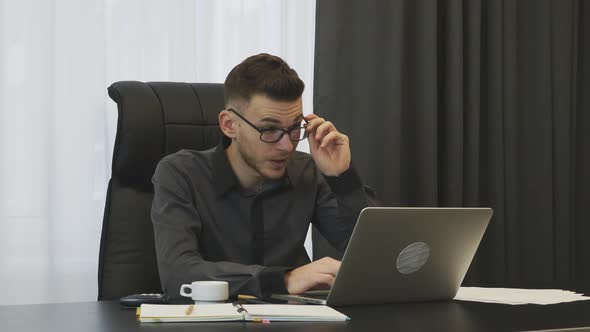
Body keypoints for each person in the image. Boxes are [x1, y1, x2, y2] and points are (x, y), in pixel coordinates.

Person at [151, 53, 375, 299]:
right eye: (269, 130)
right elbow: (178, 274)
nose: (286, 147)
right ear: (228, 125)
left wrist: (342, 178)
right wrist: (284, 279)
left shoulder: (306, 170)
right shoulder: (180, 173)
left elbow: (368, 257)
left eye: (294, 129)